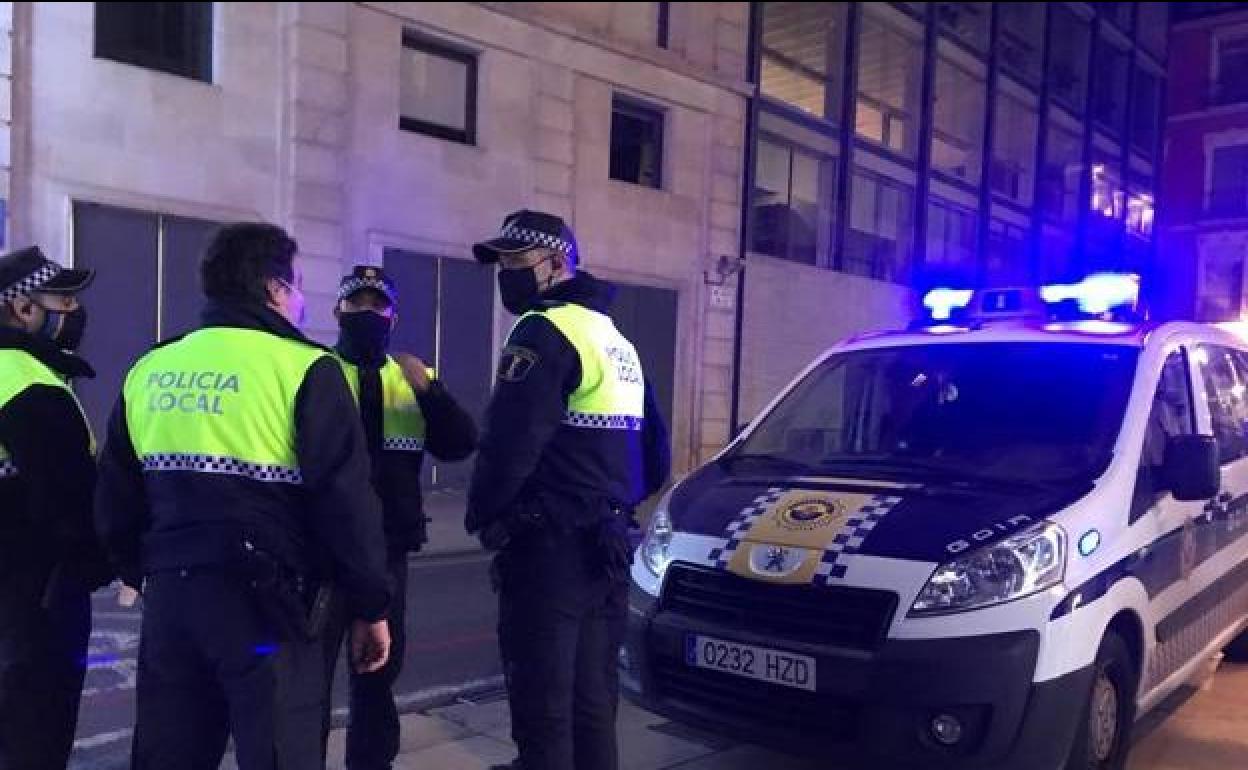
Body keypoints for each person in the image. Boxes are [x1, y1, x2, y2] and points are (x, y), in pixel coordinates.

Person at [94, 223, 393, 770]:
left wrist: (139, 570)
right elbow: (346, 504)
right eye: (298, 286)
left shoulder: (152, 367)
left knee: (168, 754)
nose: (301, 300)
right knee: (281, 752)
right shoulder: (305, 368)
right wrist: (371, 605)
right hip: (271, 607)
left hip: (172, 603)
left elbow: (115, 495)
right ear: (276, 289)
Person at [468, 210, 671, 770]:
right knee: (592, 707)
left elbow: (508, 442)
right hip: (607, 548)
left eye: (514, 261)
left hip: (548, 550)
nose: (506, 274)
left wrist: (485, 516)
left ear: (557, 263)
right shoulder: (616, 340)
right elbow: (656, 455)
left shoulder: (542, 330)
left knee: (543, 710)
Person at [326, 265, 478, 769]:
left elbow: (460, 443)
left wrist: (430, 391)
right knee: (310, 675)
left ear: (393, 315)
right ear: (338, 311)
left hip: (389, 550)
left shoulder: (411, 376)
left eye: (378, 305)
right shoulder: (317, 372)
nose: (368, 313)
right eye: (357, 304)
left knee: (377, 675)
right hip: (322, 551)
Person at [0, 246, 112, 768]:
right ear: (23, 309)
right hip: (33, 599)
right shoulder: (29, 384)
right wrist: (103, 562)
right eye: (62, 298)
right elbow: (70, 503)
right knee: (34, 735)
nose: (72, 309)